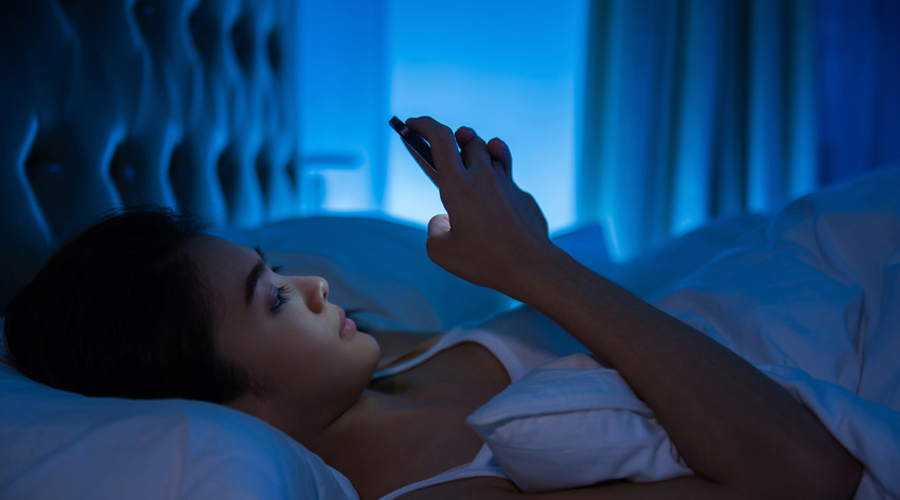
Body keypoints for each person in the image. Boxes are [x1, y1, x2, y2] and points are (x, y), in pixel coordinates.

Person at [3, 117, 861, 500]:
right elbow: (803, 476)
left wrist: (518, 238)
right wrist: (538, 268)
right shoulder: (438, 494)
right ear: (220, 403)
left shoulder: (384, 352)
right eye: (272, 300)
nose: (317, 287)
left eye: (278, 268)